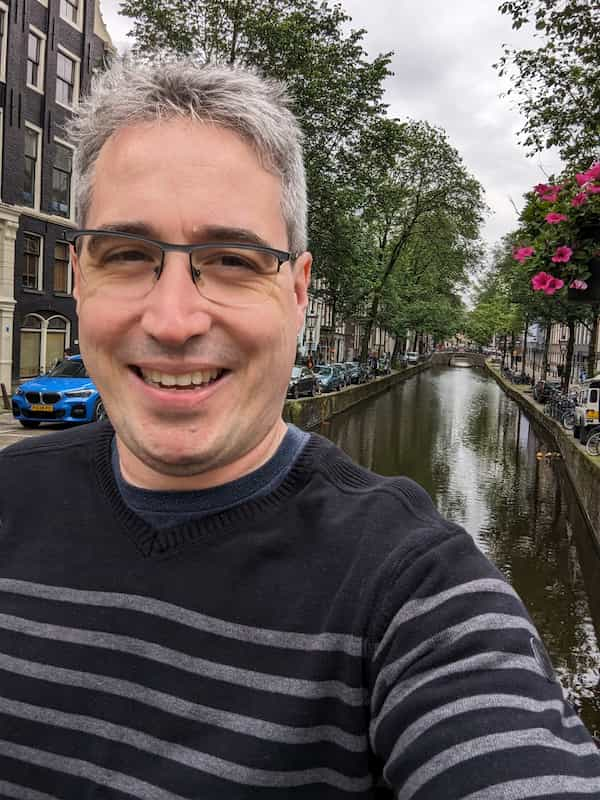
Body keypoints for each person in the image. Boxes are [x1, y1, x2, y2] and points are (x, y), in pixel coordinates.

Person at [1, 60, 598, 799]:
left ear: (297, 287)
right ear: (79, 276)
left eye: (231, 260)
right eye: (128, 255)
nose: (174, 320)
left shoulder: (412, 591)